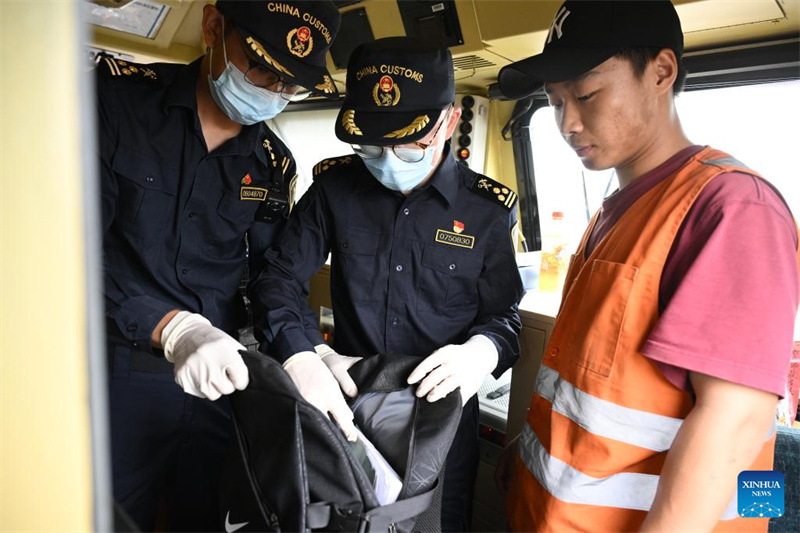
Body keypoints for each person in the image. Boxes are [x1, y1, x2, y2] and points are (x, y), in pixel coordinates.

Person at [494, 1, 800, 532]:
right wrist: (527, 450)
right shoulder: (613, 212)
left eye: (586, 94)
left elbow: (736, 422)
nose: (568, 123)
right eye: (555, 101)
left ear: (661, 72)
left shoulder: (733, 207)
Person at [249, 37, 525, 531]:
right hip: (350, 402)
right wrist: (306, 354)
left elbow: (503, 316)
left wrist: (480, 353)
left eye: (407, 142)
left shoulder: (487, 209)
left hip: (442, 418)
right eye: (372, 145)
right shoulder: (335, 188)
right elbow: (277, 279)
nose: (388, 158)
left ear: (449, 123)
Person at [96, 1, 341, 529]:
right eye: (262, 69)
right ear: (213, 27)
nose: (273, 92)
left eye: (291, 85)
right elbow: (70, 249)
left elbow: (272, 278)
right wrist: (173, 327)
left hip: (223, 382)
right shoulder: (113, 103)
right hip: (116, 368)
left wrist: (306, 350)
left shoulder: (273, 163)